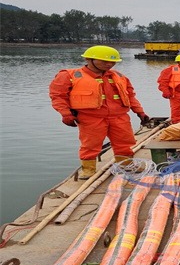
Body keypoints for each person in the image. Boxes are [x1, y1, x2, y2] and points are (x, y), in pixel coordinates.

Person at [49, 45, 151, 180]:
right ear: (89, 59)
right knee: (90, 144)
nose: (109, 64)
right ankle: (88, 169)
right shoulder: (69, 76)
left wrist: (140, 112)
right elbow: (58, 96)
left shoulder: (119, 76)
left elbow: (130, 96)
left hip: (119, 116)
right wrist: (65, 114)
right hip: (90, 117)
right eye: (104, 61)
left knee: (124, 142)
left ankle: (126, 164)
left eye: (112, 62)